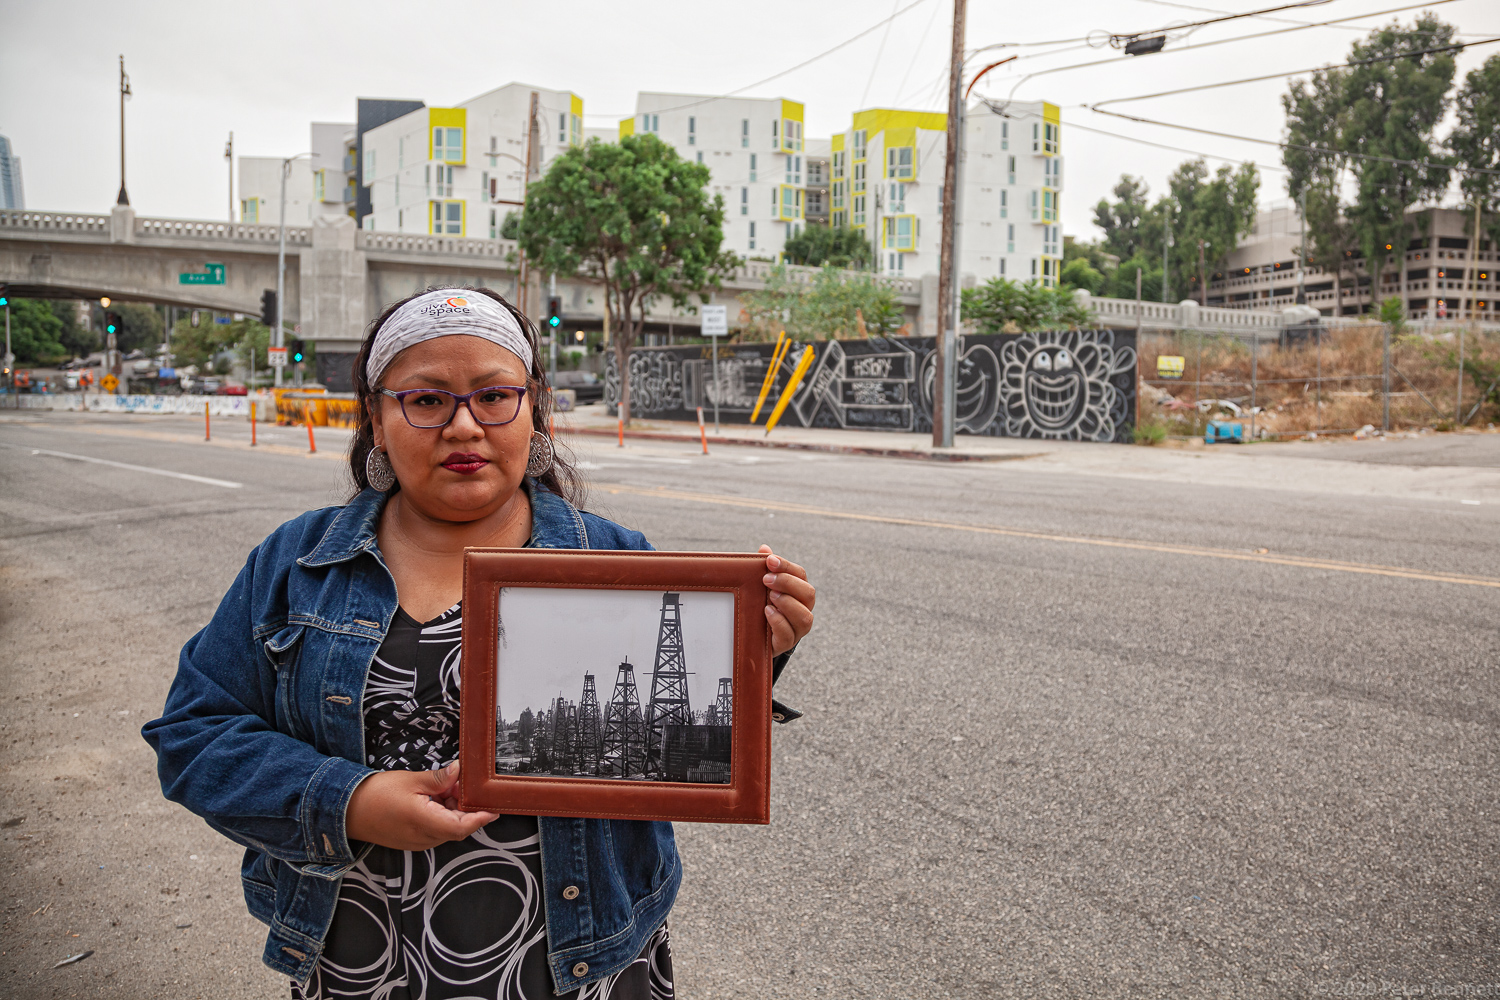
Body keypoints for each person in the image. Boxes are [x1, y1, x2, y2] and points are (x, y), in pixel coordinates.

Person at [143, 287, 816, 999]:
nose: (465, 426)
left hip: (578, 963)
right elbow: (193, 735)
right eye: (427, 400)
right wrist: (352, 800)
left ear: (533, 408)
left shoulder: (617, 563)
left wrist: (754, 654)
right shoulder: (295, 564)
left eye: (494, 396)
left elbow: (672, 745)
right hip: (366, 961)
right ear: (376, 415)